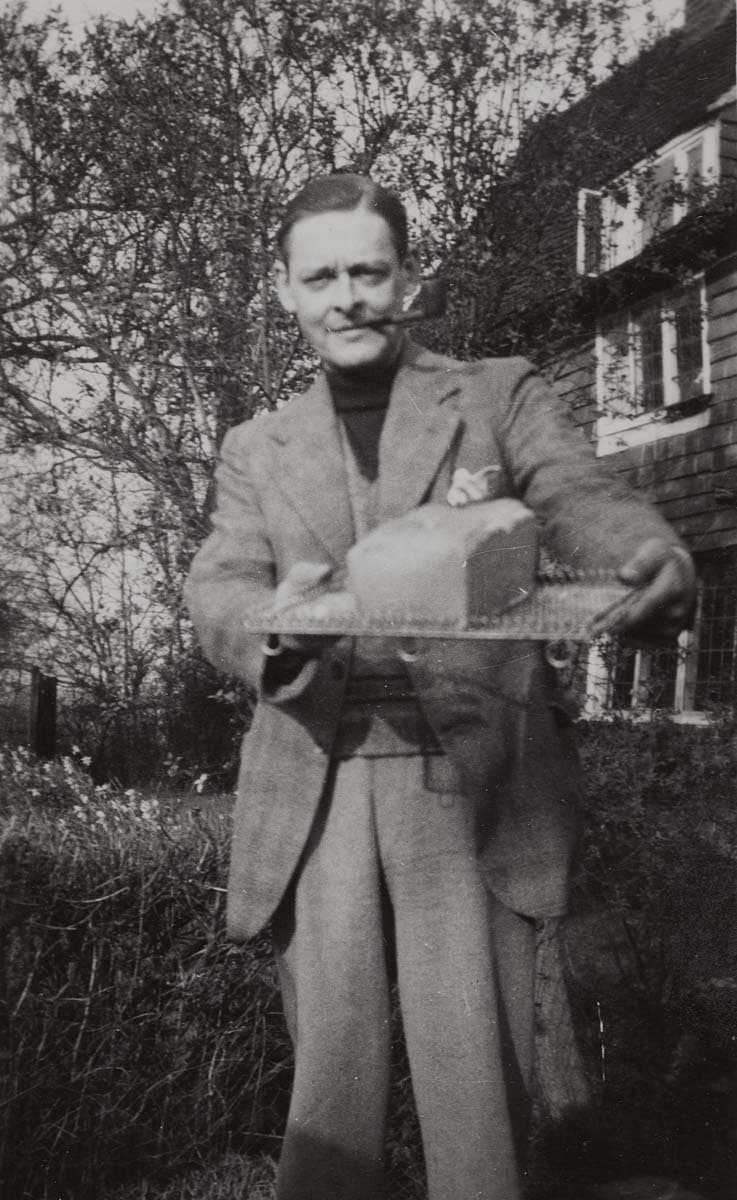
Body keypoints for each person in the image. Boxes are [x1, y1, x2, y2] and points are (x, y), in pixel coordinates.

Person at [184, 173, 695, 1200]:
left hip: (467, 784)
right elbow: (220, 581)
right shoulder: (255, 445)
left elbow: (571, 493)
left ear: (405, 280)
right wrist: (269, 631)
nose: (346, 297)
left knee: (477, 1104)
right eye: (319, 276)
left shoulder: (493, 394)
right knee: (328, 1109)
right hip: (316, 785)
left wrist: (645, 548)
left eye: (367, 271)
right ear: (286, 292)